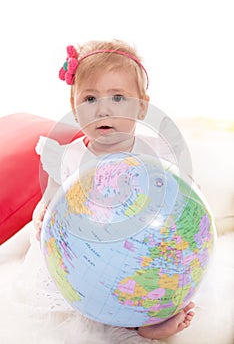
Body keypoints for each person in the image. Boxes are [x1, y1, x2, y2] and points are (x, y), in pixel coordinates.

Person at [33, 39, 195, 341]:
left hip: (140, 249)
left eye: (118, 98)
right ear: (74, 107)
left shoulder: (158, 155)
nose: (103, 110)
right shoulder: (68, 157)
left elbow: (183, 198)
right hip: (86, 255)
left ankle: (149, 320)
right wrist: (44, 219)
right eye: (90, 99)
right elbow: (49, 204)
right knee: (80, 299)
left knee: (160, 277)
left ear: (142, 107)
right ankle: (120, 322)